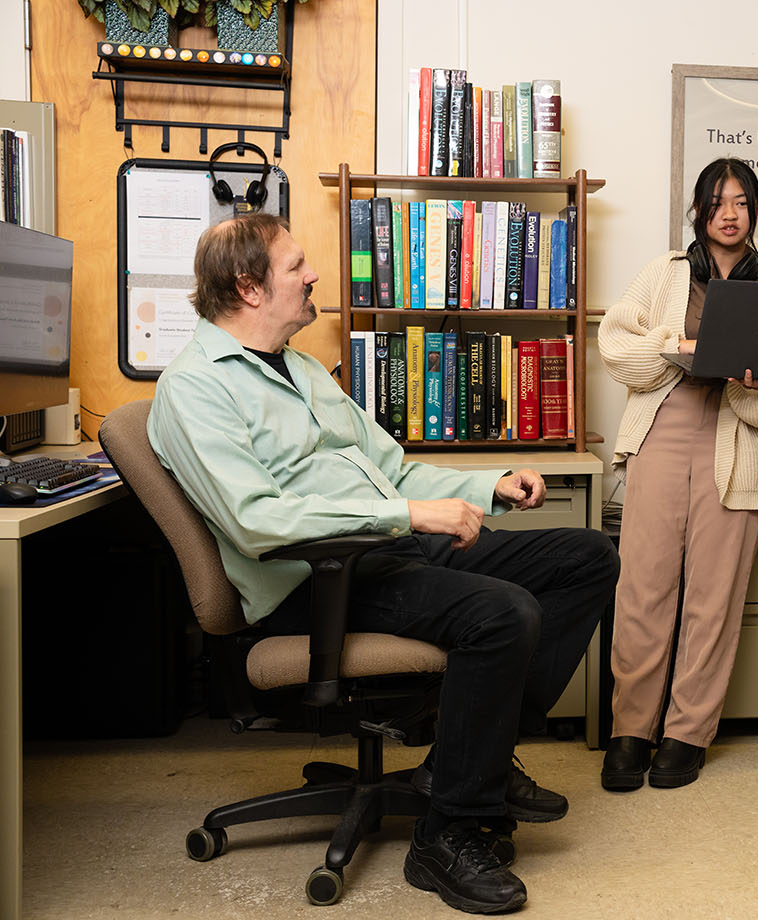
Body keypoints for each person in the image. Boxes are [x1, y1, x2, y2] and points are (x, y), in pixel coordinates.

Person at [147, 213, 619, 914]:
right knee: (502, 613)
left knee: (586, 556)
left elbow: (391, 468)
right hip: (314, 581)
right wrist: (407, 516)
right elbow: (257, 521)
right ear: (249, 286)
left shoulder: (303, 369)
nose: (313, 277)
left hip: (385, 550)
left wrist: (484, 487)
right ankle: (447, 835)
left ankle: (472, 766)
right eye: (296, 265)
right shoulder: (193, 390)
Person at [597, 157, 758, 790]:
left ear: (756, 210)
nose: (729, 213)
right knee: (643, 588)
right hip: (664, 427)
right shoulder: (665, 273)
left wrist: (757, 379)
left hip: (738, 437)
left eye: (741, 202)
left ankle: (687, 732)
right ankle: (631, 728)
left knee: (714, 597)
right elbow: (616, 347)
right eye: (717, 202)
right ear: (699, 211)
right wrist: (674, 347)